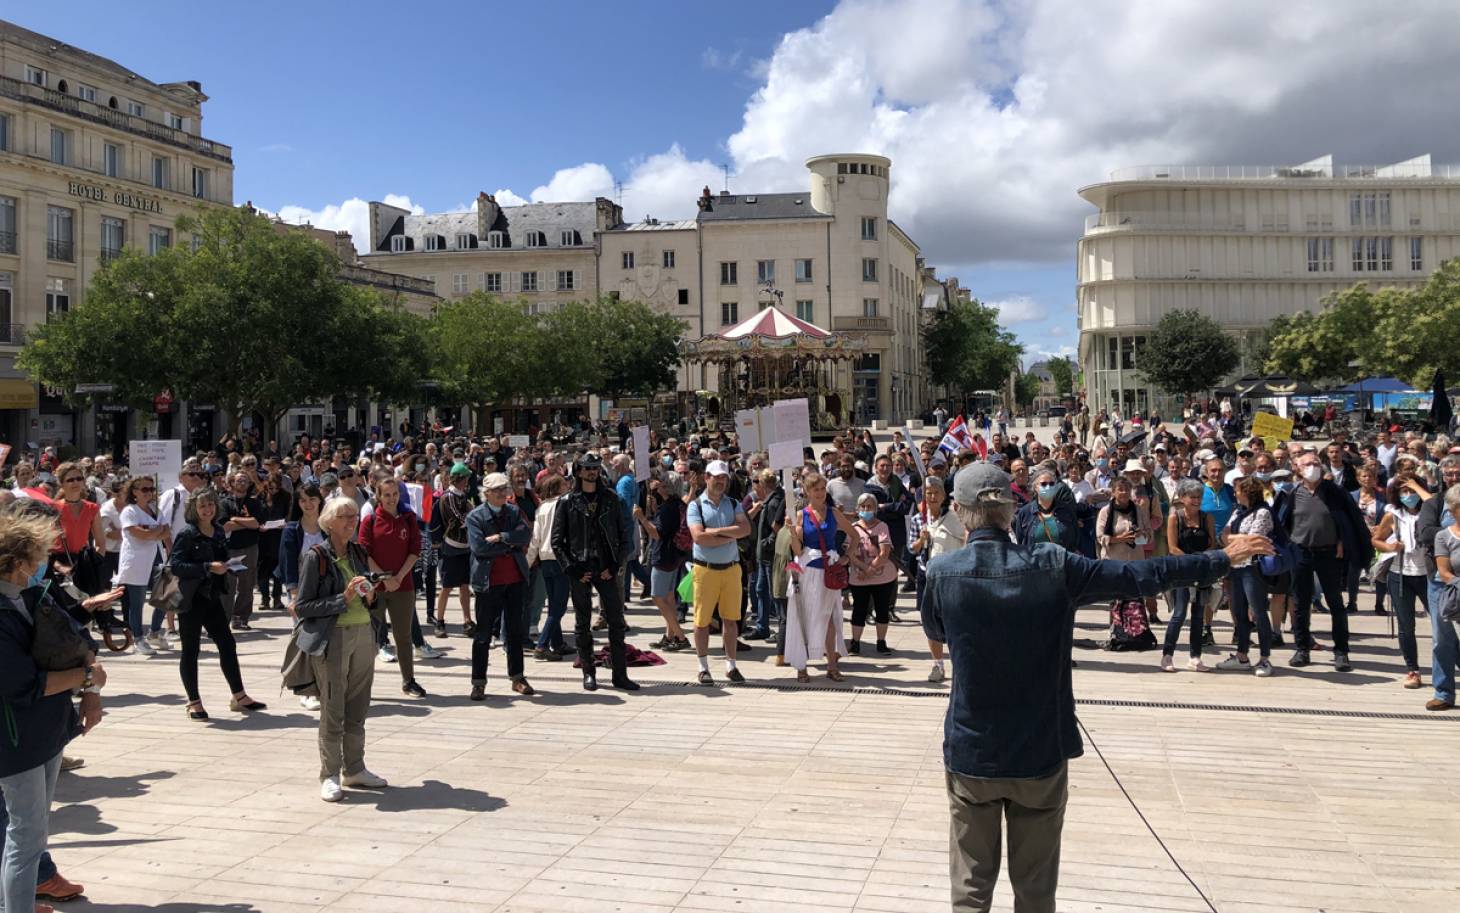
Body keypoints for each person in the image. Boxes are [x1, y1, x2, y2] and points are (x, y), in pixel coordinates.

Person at [921, 463, 1272, 913]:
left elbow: (937, 629)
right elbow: (1141, 576)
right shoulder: (1052, 565)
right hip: (1039, 751)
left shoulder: (942, 572)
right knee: (1035, 893)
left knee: (970, 893)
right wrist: (1221, 558)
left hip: (973, 753)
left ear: (959, 510)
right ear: (1012, 510)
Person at [294, 497, 387, 802]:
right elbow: (304, 607)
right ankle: (330, 774)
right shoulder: (316, 556)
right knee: (333, 709)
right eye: (345, 517)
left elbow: (370, 596)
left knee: (358, 705)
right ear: (329, 522)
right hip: (332, 637)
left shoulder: (359, 552)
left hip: (363, 633)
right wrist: (342, 598)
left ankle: (355, 768)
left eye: (354, 516)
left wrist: (371, 595)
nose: (352, 521)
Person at [166, 489, 266, 720]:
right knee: (190, 650)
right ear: (194, 509)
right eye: (202, 506)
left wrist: (228, 565)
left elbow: (221, 558)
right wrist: (207, 567)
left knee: (227, 644)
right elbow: (176, 565)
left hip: (212, 596)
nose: (207, 509)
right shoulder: (187, 533)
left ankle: (239, 696)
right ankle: (193, 702)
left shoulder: (219, 530)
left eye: (211, 505)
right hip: (192, 599)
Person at [550, 453, 638, 691]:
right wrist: (572, 568)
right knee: (583, 622)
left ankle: (620, 674)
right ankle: (589, 672)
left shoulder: (611, 498)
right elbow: (557, 541)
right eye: (587, 468)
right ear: (578, 471)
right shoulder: (567, 501)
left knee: (617, 621)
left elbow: (623, 535)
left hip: (606, 567)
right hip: (580, 567)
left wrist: (616, 565)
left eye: (595, 468)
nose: (592, 472)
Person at [1279, 448, 1373, 672]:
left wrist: (1343, 540)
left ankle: (1341, 652)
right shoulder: (1292, 493)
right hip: (1301, 553)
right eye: (1307, 464)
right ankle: (1302, 648)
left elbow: (1349, 520)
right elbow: (1283, 522)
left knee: (1335, 604)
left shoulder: (1335, 492)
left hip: (1329, 553)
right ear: (1298, 469)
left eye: (1315, 463)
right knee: (1300, 604)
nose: (1312, 467)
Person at [465, 473, 535, 699]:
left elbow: (525, 535)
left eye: (504, 488)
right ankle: (478, 682)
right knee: (483, 634)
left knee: (515, 632)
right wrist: (510, 546)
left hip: (514, 580)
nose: (502, 493)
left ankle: (517, 677)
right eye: (496, 490)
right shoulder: (475, 517)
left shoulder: (513, 511)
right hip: (488, 583)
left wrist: (502, 537)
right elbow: (480, 548)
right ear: (485, 494)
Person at [360, 475, 426, 698]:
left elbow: (415, 550)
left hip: (403, 586)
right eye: (386, 495)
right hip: (375, 588)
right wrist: (383, 578)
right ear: (378, 496)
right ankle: (361, 684)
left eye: (395, 494)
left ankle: (409, 681)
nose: (391, 499)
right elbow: (364, 553)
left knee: (403, 636)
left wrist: (398, 577)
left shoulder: (408, 518)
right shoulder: (369, 521)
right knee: (368, 638)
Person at [687, 460, 752, 684]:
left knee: (731, 620)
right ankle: (703, 666)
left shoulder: (733, 503)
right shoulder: (695, 505)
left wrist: (716, 532)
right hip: (705, 570)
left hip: (731, 569)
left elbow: (745, 529)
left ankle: (731, 665)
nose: (720, 481)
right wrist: (729, 535)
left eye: (723, 477)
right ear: (706, 477)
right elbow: (698, 537)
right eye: (716, 477)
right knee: (702, 621)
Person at [785, 471, 850, 683]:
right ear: (807, 492)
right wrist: (792, 532)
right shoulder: (802, 515)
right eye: (816, 489)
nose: (821, 493)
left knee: (830, 618)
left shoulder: (833, 512)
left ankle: (832, 665)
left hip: (829, 570)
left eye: (823, 489)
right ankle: (801, 666)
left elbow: (855, 535)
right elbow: (797, 549)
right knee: (802, 616)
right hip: (808, 570)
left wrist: (846, 557)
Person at [1370, 473, 1432, 690]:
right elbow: (1376, 539)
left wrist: (1418, 486)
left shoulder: (1429, 511)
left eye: (1412, 491)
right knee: (1406, 626)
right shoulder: (1392, 515)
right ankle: (1413, 670)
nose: (1408, 495)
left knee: (1442, 623)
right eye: (1404, 492)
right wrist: (1389, 547)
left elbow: (1435, 502)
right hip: (1400, 575)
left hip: (1428, 575)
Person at [1215, 477, 1278, 676]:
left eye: (1238, 490)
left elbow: (1255, 540)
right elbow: (1222, 534)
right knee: (1239, 612)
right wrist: (1237, 539)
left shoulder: (1263, 512)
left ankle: (1265, 658)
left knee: (1258, 612)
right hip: (1235, 566)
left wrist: (1233, 538)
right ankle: (1242, 655)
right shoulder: (1238, 512)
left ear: (1248, 492)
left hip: (1253, 567)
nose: (1235, 493)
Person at [907, 476, 964, 683]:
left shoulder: (954, 517)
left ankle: (959, 666)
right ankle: (938, 666)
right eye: (927, 492)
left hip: (952, 578)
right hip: (928, 576)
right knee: (930, 622)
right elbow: (910, 549)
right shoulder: (918, 519)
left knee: (954, 623)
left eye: (935, 492)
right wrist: (922, 539)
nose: (931, 496)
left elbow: (966, 538)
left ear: (943, 496)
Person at [1161, 479, 1217, 672]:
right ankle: (1167, 655)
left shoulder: (1207, 517)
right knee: (1179, 613)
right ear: (1182, 498)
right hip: (1181, 570)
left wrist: (1202, 561)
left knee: (1198, 615)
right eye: (1192, 497)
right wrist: (1191, 561)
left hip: (1202, 571)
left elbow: (1212, 544)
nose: (1196, 500)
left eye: (1199, 497)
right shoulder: (1174, 518)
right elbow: (1172, 547)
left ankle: (1195, 657)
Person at [1417, 458, 1460, 711]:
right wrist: (1450, 531)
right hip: (1441, 583)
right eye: (1450, 472)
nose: (1454, 476)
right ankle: (1443, 692)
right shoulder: (1433, 503)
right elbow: (1425, 534)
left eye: (1458, 472)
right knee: (1441, 639)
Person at [117, 475, 170, 654]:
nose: (149, 493)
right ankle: (138, 638)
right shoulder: (129, 511)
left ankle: (154, 632)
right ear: (134, 492)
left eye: (151, 489)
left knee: (165, 595)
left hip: (156, 556)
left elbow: (166, 532)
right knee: (137, 602)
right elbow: (139, 534)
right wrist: (153, 531)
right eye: (144, 489)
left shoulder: (155, 509)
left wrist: (150, 531)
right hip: (136, 560)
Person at [527, 474, 575, 661]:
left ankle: (558, 642)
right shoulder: (564, 504)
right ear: (557, 488)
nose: (567, 486)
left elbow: (535, 539)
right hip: (561, 558)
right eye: (564, 484)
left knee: (554, 603)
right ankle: (542, 644)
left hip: (545, 558)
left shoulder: (541, 508)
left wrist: (528, 561)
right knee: (559, 606)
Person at [642, 473, 691, 652]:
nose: (658, 485)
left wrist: (642, 518)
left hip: (664, 556)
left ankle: (680, 637)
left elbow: (657, 533)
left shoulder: (668, 507)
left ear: (667, 487)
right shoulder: (679, 505)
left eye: (661, 483)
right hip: (676, 555)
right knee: (669, 596)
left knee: (657, 597)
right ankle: (669, 636)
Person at [848, 492, 896, 657]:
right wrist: (862, 568)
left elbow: (885, 552)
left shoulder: (882, 526)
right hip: (858, 577)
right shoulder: (853, 528)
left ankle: (881, 642)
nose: (866, 509)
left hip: (882, 577)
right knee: (859, 609)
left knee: (882, 609)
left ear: (875, 509)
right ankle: (855, 642)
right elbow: (849, 552)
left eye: (869, 506)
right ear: (858, 508)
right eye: (863, 506)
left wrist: (870, 569)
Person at [219, 471, 262, 632]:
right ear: (231, 483)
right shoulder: (224, 502)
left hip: (250, 548)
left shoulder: (254, 503)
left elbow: (257, 523)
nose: (242, 483)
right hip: (230, 549)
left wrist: (235, 519)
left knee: (247, 585)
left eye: (245, 480)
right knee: (228, 586)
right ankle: (224, 618)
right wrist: (247, 523)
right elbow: (224, 526)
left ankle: (241, 618)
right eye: (238, 480)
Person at [434, 463, 474, 637]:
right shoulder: (448, 496)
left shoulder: (462, 495)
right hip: (451, 545)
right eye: (466, 478)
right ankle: (440, 620)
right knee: (447, 586)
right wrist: (473, 518)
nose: (467, 481)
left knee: (465, 585)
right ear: (460, 479)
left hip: (465, 545)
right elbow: (458, 518)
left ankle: (467, 620)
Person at [1352, 462, 1389, 615]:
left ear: (1375, 479)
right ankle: (1351, 602)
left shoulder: (1383, 497)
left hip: (1377, 538)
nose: (1367, 479)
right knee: (1353, 571)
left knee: (1379, 571)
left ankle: (1379, 603)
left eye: (1370, 476)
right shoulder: (1351, 496)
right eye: (1364, 476)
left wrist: (1380, 529)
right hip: (1357, 538)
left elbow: (1388, 516)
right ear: (1358, 478)